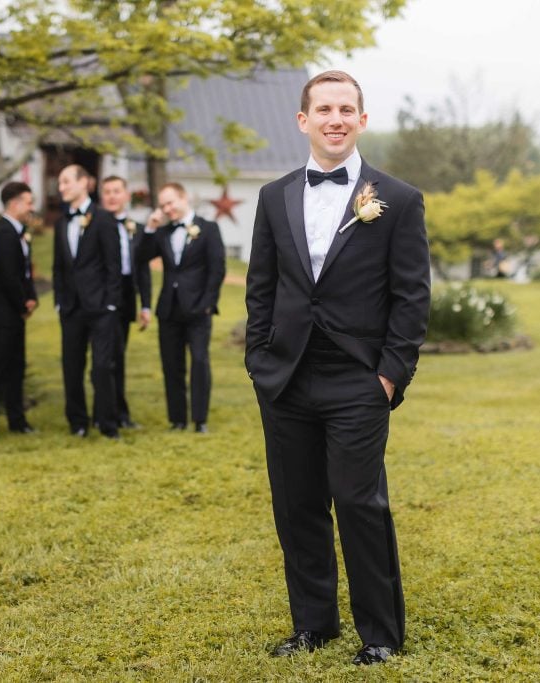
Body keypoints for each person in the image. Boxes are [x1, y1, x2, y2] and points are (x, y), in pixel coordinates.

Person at [244, 70, 431, 665]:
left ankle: (380, 634)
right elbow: (261, 286)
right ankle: (313, 625)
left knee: (357, 501)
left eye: (346, 109)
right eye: (323, 108)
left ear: (362, 119)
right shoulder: (273, 197)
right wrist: (259, 361)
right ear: (304, 120)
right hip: (287, 377)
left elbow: (411, 297)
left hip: (359, 378)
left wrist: (390, 373)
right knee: (296, 505)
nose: (335, 119)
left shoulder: (396, 199)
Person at [137, 183, 225, 432]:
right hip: (169, 309)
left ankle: (200, 420)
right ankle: (177, 419)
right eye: (163, 205)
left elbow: (216, 269)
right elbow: (141, 258)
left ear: (183, 198)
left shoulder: (208, 228)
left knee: (199, 362)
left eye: (170, 202)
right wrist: (150, 229)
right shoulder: (162, 232)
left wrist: (207, 304)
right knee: (171, 365)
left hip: (198, 309)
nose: (167, 208)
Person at [51, 164, 122, 439]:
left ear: (84, 183)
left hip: (101, 307)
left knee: (103, 366)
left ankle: (107, 422)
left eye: (66, 181)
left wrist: (111, 303)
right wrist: (59, 300)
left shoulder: (104, 219)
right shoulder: (60, 222)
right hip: (70, 307)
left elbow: (113, 266)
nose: (61, 188)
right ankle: (77, 422)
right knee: (71, 365)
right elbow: (59, 267)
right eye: (60, 183)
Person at [0, 181, 38, 441]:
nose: (32, 207)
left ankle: (17, 420)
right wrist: (22, 303)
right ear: (14, 203)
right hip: (0, 314)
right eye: (28, 201)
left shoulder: (19, 232)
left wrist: (31, 296)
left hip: (13, 313)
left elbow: (24, 271)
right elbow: (7, 275)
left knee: (16, 367)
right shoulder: (3, 233)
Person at [98, 175, 152, 429]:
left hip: (126, 297)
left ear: (126, 195)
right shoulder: (94, 225)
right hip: (99, 299)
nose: (111, 196)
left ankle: (118, 412)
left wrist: (145, 305)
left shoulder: (135, 228)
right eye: (107, 191)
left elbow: (142, 270)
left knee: (118, 357)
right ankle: (107, 413)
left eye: (116, 191)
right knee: (104, 358)